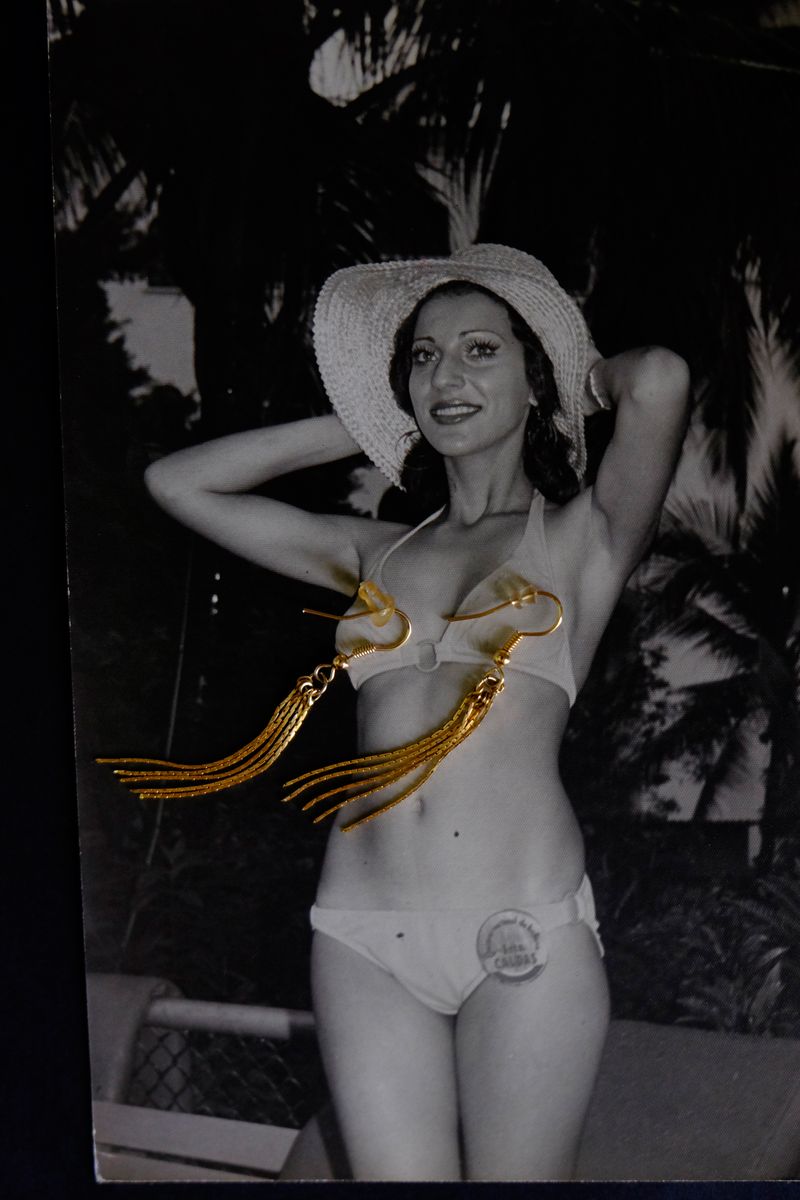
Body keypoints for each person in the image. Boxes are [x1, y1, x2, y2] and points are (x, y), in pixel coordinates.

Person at [138, 244, 690, 1180]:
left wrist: (576, 380)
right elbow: (178, 483)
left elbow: (662, 379)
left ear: (533, 380)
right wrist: (372, 419)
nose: (447, 374)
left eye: (481, 351)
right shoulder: (371, 552)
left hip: (519, 929)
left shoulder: (584, 539)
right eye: (424, 357)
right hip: (362, 937)